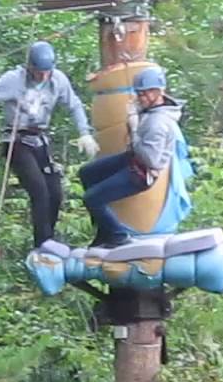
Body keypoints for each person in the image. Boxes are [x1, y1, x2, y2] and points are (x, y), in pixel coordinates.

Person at [0, 41, 99, 256]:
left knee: (55, 191)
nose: (43, 76)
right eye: (39, 72)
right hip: (16, 141)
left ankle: (49, 238)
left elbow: (74, 105)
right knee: (39, 190)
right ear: (30, 66)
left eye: (47, 72)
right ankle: (42, 244)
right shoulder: (14, 79)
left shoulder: (58, 80)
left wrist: (84, 132)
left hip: (39, 140)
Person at [78, 65, 186, 248]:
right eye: (139, 93)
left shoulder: (158, 122)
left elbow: (150, 159)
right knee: (87, 173)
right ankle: (105, 231)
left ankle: (118, 235)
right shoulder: (151, 110)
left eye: (145, 94)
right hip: (133, 160)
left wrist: (134, 128)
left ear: (159, 92)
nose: (141, 98)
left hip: (142, 174)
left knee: (91, 198)